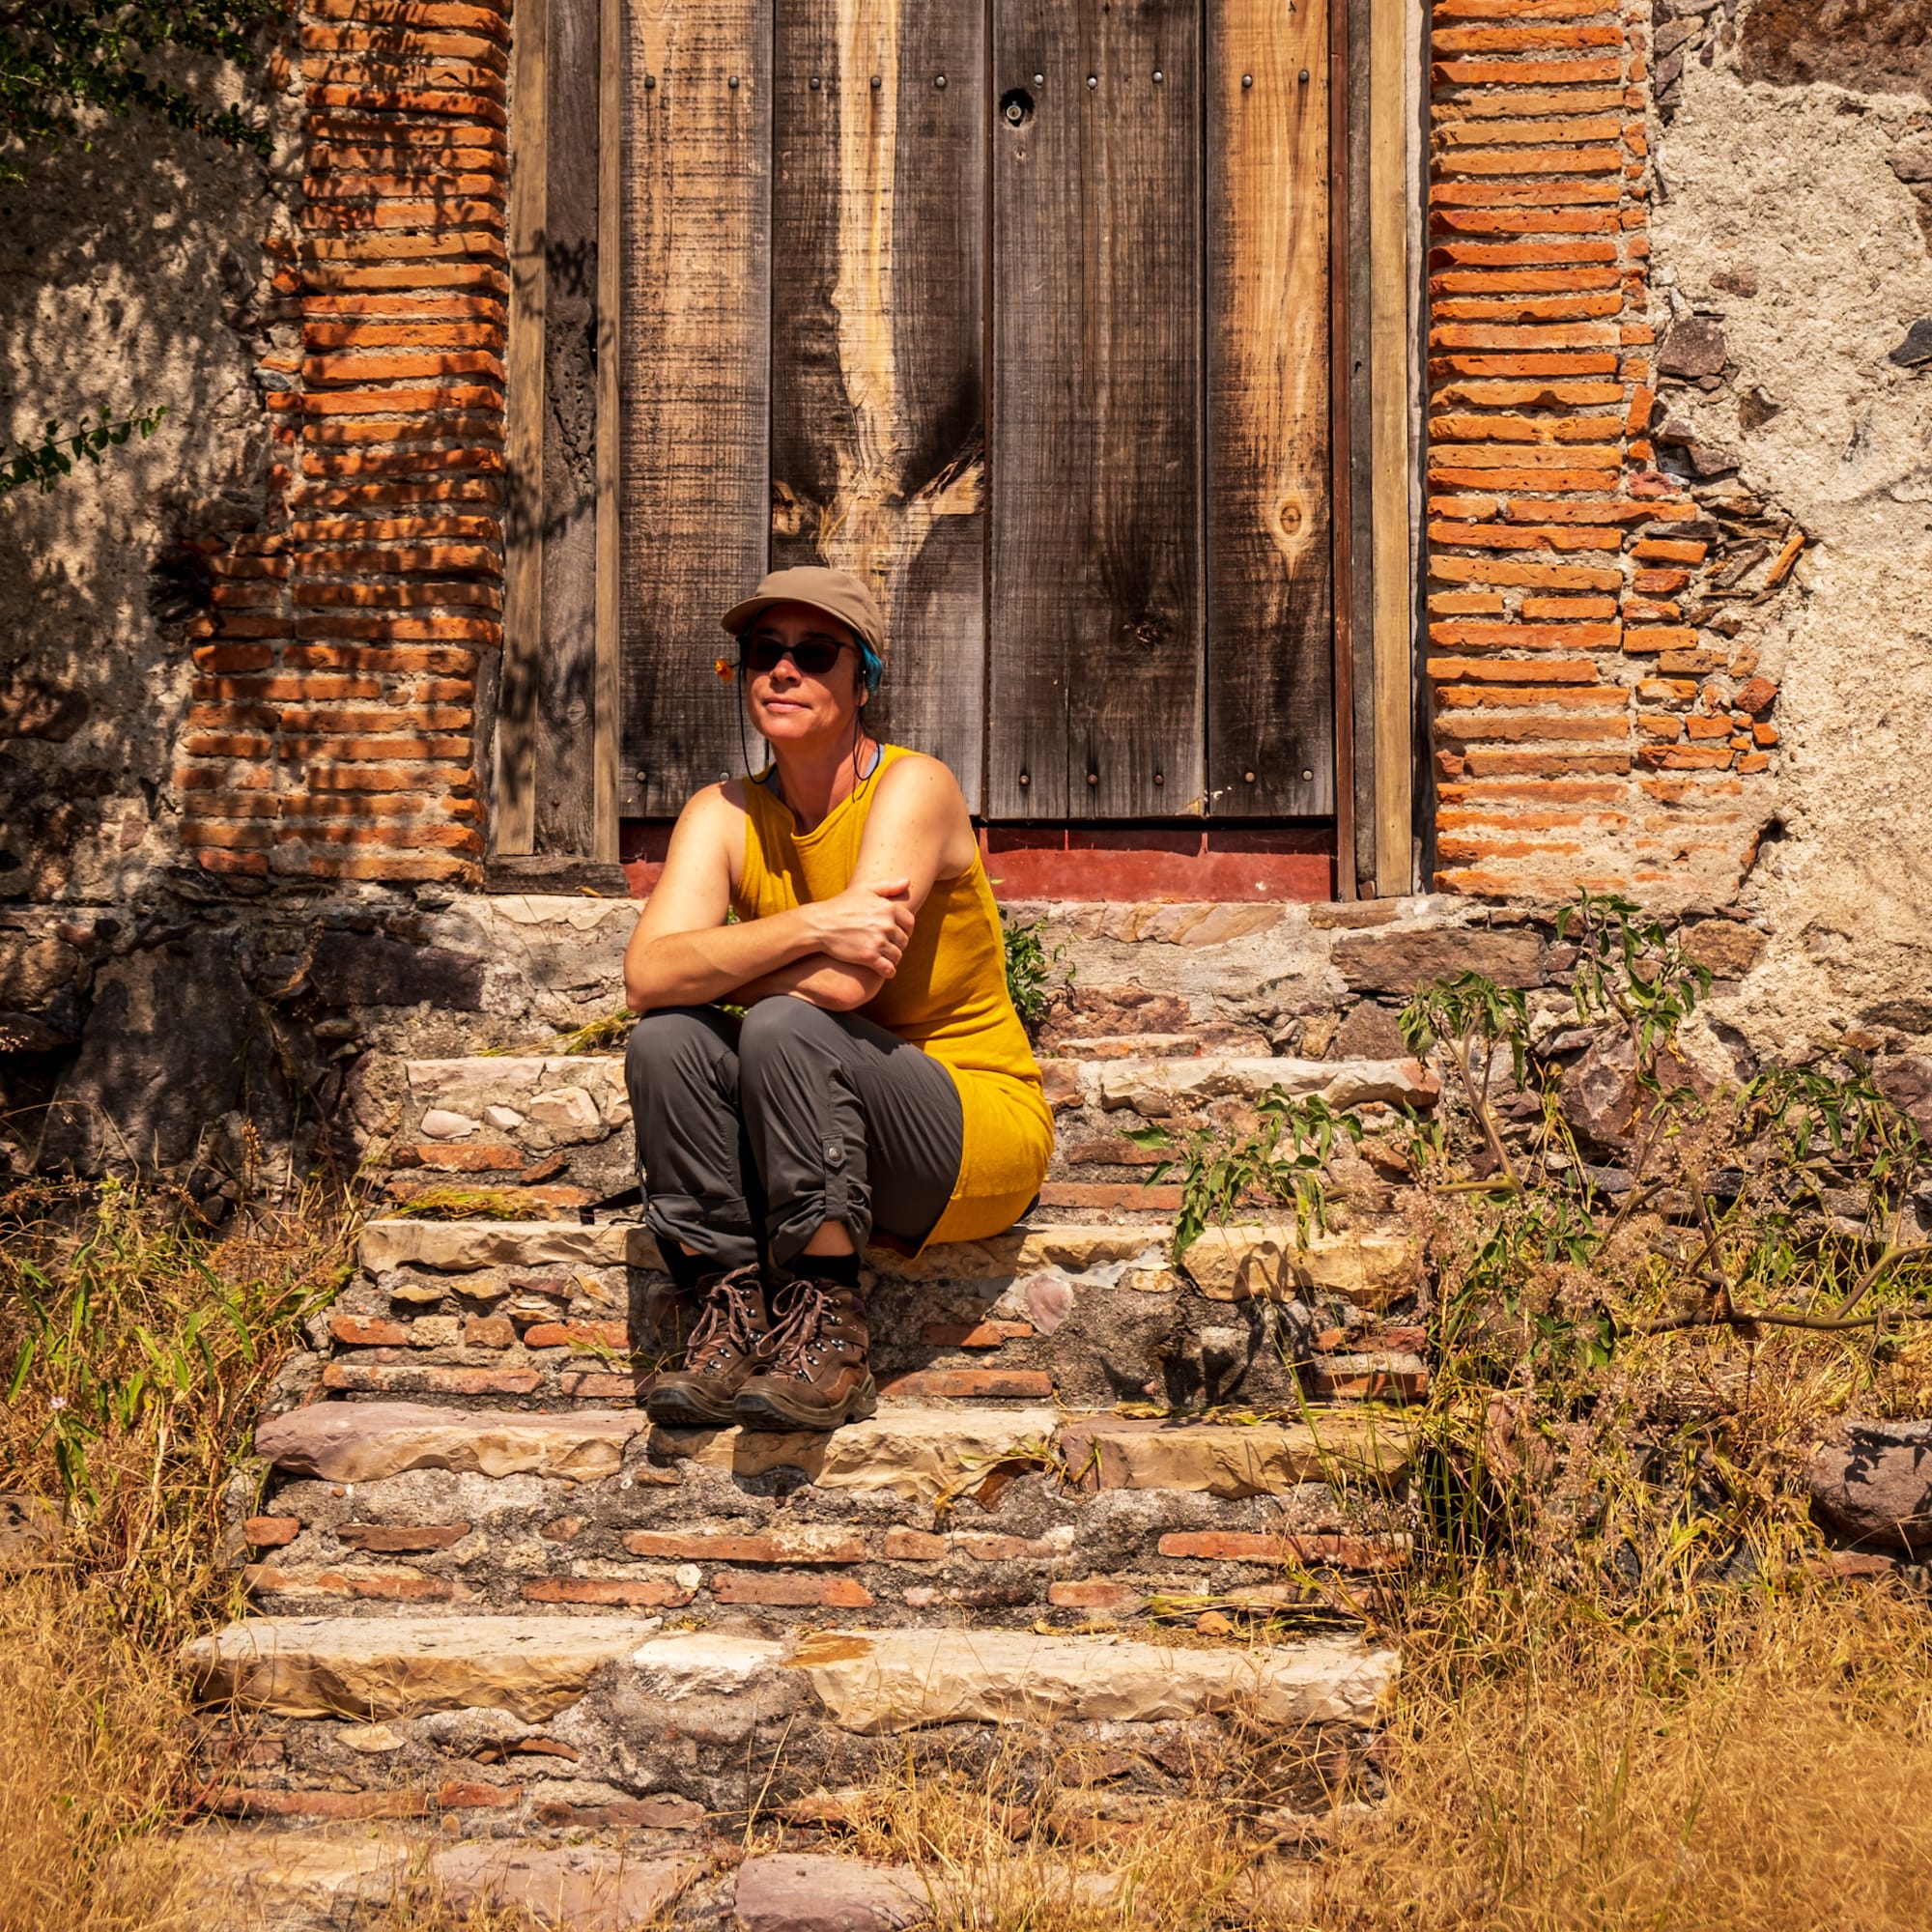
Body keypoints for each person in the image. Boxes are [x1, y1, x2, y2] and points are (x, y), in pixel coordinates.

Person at [621, 565, 1054, 1433]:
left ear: (865, 682)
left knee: (783, 1022)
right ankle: (730, 1307)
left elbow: (848, 984)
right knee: (666, 1041)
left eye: (816, 653)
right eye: (763, 652)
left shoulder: (913, 786)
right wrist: (815, 923)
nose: (784, 671)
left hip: (966, 1124)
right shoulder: (723, 813)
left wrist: (715, 967)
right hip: (814, 1115)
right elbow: (647, 981)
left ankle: (828, 1321)